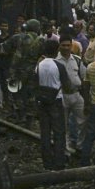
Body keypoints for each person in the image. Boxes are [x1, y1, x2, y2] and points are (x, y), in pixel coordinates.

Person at [36, 39, 68, 170]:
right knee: (59, 132)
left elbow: (35, 82)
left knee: (45, 132)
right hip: (56, 100)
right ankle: (59, 162)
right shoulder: (59, 66)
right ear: (57, 50)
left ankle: (47, 162)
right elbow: (66, 85)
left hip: (42, 101)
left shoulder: (39, 65)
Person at [56, 32, 86, 155]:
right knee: (62, 124)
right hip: (61, 95)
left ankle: (80, 146)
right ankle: (66, 149)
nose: (66, 48)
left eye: (68, 45)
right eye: (63, 45)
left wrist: (86, 97)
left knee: (83, 120)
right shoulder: (55, 61)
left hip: (76, 94)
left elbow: (84, 78)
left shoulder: (77, 60)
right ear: (59, 46)